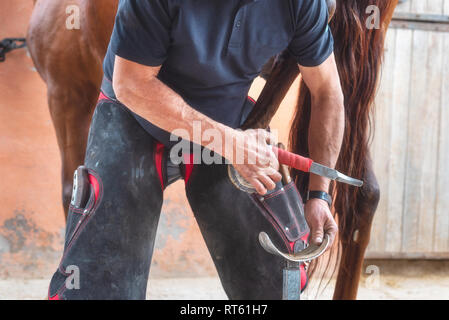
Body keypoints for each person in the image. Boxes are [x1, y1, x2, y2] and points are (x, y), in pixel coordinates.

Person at [48, 0, 344, 299]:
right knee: (98, 284)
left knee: (277, 280)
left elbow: (327, 91)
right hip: (135, 114)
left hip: (225, 120)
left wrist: (320, 195)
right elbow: (131, 85)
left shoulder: (303, 3)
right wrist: (228, 142)